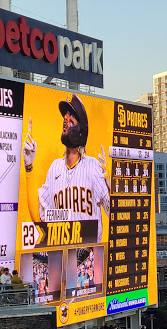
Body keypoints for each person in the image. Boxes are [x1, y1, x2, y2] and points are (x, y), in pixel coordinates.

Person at [22, 93, 110, 242]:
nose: (65, 121)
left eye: (71, 119)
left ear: (81, 131)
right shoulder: (55, 168)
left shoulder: (93, 166)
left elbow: (117, 214)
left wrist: (110, 183)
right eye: (65, 118)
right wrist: (29, 166)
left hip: (90, 260)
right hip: (61, 258)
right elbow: (38, 217)